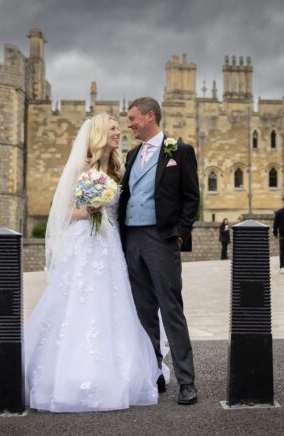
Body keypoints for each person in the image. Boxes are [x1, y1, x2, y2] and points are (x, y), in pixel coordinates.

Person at [24, 113, 160, 413]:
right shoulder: (81, 168)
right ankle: (73, 373)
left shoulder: (119, 168)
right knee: (79, 302)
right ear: (100, 133)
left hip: (110, 244)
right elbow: (63, 211)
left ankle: (116, 371)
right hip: (85, 241)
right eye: (113, 129)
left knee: (111, 303)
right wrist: (90, 210)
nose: (119, 132)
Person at [118, 97, 200, 405]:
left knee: (170, 310)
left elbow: (192, 197)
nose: (130, 124)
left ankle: (187, 381)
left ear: (150, 116)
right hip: (132, 240)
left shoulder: (180, 151)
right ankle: (154, 374)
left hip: (162, 238)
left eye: (133, 118)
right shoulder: (131, 154)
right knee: (143, 313)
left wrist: (180, 236)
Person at [273, 197, 284, 273]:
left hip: (283, 236)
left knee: (282, 251)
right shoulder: (279, 212)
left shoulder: (279, 212)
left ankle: (282, 267)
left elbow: (275, 225)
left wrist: (275, 234)